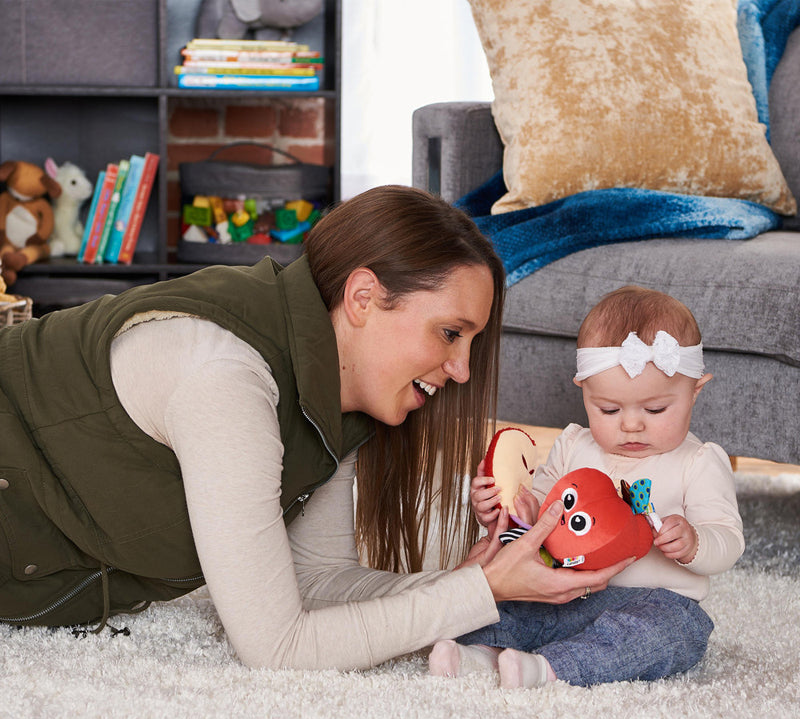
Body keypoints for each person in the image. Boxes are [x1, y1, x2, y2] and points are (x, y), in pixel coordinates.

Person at [0, 185, 630, 671]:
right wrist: (477, 592)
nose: (463, 370)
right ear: (362, 298)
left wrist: (474, 581)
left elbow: (317, 581)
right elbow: (277, 646)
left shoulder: (337, 390)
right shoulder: (226, 380)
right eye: (449, 332)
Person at [430, 286, 744, 687]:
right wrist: (503, 509)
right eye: (609, 409)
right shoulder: (574, 446)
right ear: (584, 391)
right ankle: (480, 654)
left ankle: (548, 668)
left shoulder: (698, 462)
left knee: (670, 633)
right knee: (506, 600)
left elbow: (728, 539)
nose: (631, 424)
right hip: (565, 592)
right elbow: (536, 514)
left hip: (656, 598)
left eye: (655, 409)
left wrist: (696, 542)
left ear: (694, 392)